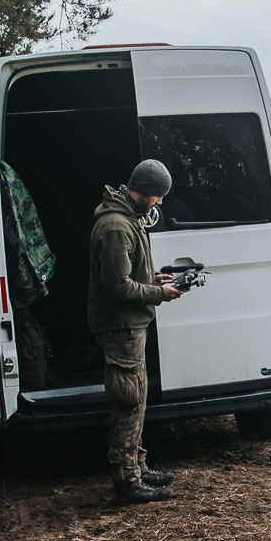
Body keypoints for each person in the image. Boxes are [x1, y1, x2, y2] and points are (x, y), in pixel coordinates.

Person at [90, 159, 186, 502]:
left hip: (131, 325)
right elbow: (117, 286)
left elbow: (128, 274)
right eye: (158, 196)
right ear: (143, 190)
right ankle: (127, 482)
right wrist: (158, 293)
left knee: (137, 397)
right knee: (128, 401)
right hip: (121, 326)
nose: (159, 202)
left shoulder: (127, 218)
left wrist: (153, 277)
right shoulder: (116, 225)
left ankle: (138, 466)